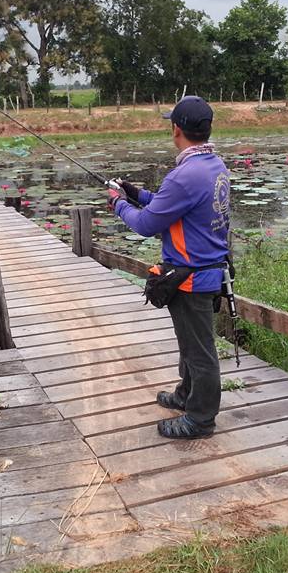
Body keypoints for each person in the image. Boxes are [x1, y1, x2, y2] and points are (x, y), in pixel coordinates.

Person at [108, 95, 231, 439]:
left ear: (176, 128)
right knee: (190, 344)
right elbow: (170, 205)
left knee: (200, 352)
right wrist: (135, 193)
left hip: (191, 277)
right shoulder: (213, 166)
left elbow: (147, 224)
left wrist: (119, 205)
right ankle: (185, 395)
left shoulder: (184, 174)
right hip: (204, 272)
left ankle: (201, 419)